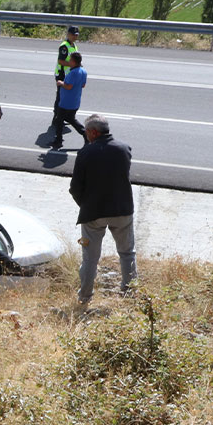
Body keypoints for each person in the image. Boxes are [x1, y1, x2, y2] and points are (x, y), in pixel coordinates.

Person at [69, 114, 135, 306]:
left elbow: (75, 187)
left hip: (94, 213)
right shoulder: (124, 149)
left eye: (87, 131)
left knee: (90, 258)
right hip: (122, 209)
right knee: (127, 253)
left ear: (93, 132)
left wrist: (86, 204)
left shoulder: (86, 153)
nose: (86, 135)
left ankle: (85, 297)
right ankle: (129, 294)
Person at [52, 52, 87, 150]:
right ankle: (85, 134)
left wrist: (60, 83)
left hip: (66, 102)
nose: (69, 61)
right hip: (75, 101)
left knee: (59, 121)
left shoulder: (73, 73)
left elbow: (68, 86)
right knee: (71, 119)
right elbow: (83, 85)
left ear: (74, 62)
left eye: (70, 60)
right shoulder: (83, 71)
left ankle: (58, 141)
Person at [53, 26, 79, 119]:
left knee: (67, 97)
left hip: (69, 75)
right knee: (60, 97)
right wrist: (73, 65)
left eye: (76, 35)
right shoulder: (64, 46)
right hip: (61, 74)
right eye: (73, 35)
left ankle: (63, 117)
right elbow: (61, 61)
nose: (75, 37)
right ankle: (56, 117)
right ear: (68, 34)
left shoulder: (74, 46)